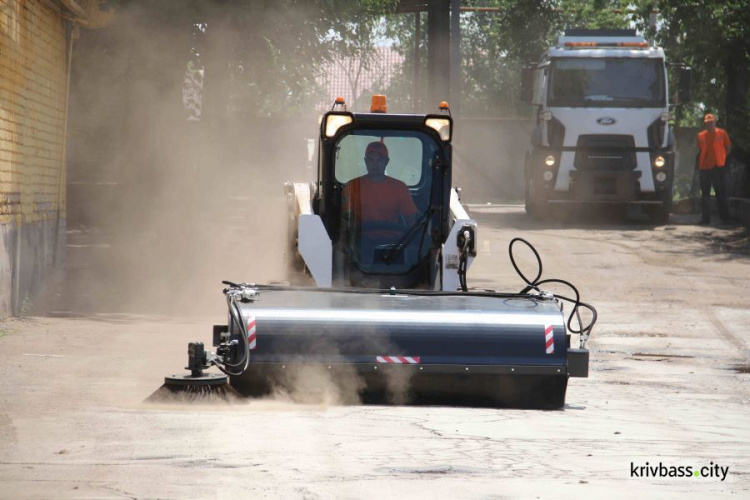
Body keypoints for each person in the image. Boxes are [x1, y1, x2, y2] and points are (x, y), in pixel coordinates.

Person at [342, 140, 418, 237]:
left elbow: (412, 221)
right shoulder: (351, 187)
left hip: (392, 244)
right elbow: (343, 221)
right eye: (371, 160)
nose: (375, 165)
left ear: (386, 162)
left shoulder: (399, 188)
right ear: (365, 161)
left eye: (379, 160)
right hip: (359, 242)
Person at [696, 113, 732, 225]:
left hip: (718, 167)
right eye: (707, 123)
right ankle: (705, 219)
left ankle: (725, 219)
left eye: (711, 122)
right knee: (705, 195)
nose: (709, 124)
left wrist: (721, 158)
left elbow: (728, 148)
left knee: (720, 193)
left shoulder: (722, 133)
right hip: (705, 169)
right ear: (705, 124)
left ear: (714, 122)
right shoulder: (701, 135)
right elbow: (700, 151)